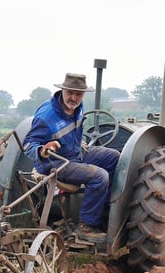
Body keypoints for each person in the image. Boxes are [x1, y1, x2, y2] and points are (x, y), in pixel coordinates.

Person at [23, 73, 120, 243]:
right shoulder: (47, 116)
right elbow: (28, 145)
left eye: (78, 94)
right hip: (56, 163)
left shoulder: (78, 107)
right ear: (63, 90)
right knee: (100, 177)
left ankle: (104, 211)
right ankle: (86, 226)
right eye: (70, 93)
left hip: (76, 154)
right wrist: (43, 150)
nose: (74, 98)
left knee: (113, 157)